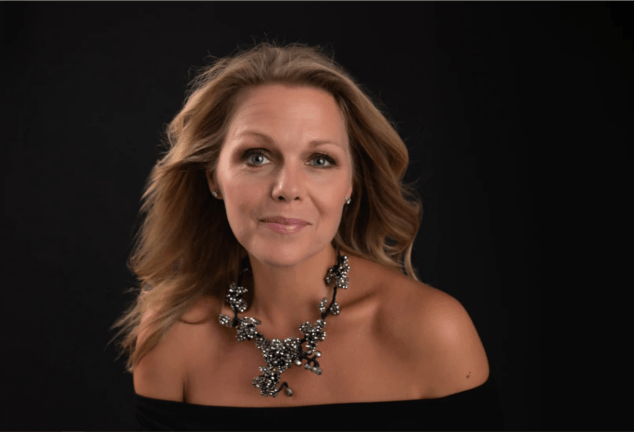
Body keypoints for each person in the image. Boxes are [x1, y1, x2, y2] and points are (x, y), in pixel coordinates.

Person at [110, 42, 502, 430]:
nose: (287, 188)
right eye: (257, 156)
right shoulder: (173, 337)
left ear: (351, 183)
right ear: (214, 177)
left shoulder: (432, 331)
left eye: (320, 160)